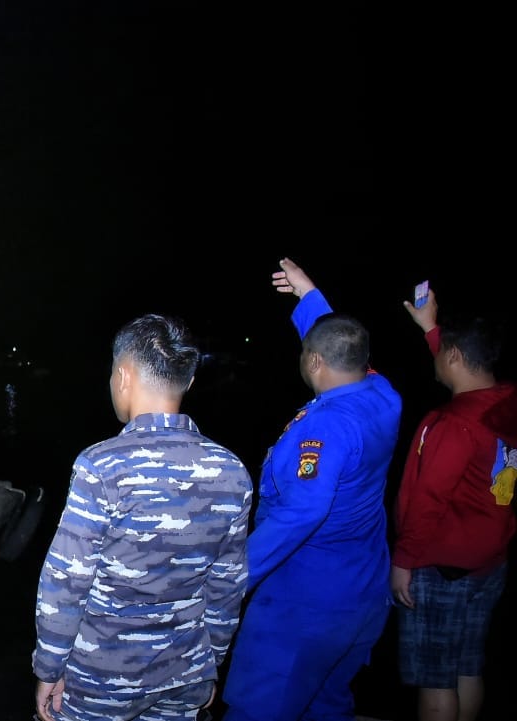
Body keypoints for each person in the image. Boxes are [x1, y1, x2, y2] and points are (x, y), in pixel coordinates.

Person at [33, 313, 253, 721]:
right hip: (184, 674)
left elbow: (67, 579)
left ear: (123, 376)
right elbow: (227, 587)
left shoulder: (101, 466)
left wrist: (49, 666)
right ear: (187, 382)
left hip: (100, 678)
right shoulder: (231, 471)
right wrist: (209, 665)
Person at [221, 258, 402, 720]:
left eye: (307, 352)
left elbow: (300, 513)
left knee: (256, 710)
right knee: (325, 706)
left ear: (315, 361)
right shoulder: (383, 395)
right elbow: (346, 348)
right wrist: (310, 299)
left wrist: (232, 579)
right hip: (361, 596)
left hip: (305, 609)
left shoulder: (322, 430)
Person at [390, 285, 516, 721]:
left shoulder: (451, 423)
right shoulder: (505, 403)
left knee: (436, 680)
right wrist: (431, 329)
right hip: (489, 561)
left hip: (441, 568)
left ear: (457, 357)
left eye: (443, 352)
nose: (436, 359)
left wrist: (403, 560)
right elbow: (459, 359)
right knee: (467, 667)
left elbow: (427, 500)